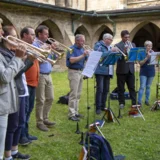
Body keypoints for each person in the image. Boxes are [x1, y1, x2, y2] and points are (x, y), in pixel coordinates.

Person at [0, 24, 29, 160]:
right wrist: (19, 58)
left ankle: (10, 153)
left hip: (11, 96)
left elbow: (15, 72)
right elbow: (6, 77)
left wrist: (25, 59)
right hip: (4, 100)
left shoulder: (8, 52)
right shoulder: (2, 53)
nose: (16, 40)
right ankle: (7, 155)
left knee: (14, 125)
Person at [33, 25, 55, 131]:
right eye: (46, 34)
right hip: (40, 74)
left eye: (48, 33)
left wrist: (53, 52)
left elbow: (50, 61)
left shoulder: (46, 44)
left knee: (50, 98)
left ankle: (45, 118)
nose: (48, 36)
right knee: (40, 100)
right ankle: (39, 122)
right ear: (39, 34)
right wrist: (43, 51)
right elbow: (37, 61)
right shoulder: (35, 44)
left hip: (48, 74)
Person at [19, 27, 38, 145]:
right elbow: (21, 65)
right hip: (26, 83)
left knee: (29, 110)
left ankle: (26, 133)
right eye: (32, 35)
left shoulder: (31, 47)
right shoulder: (20, 47)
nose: (34, 37)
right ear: (25, 35)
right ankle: (22, 137)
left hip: (33, 82)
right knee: (24, 111)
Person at [66, 34, 89, 121]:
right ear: (76, 41)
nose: (83, 43)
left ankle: (76, 112)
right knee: (73, 94)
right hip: (73, 71)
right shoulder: (71, 49)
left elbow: (86, 59)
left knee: (78, 94)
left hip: (80, 71)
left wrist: (89, 54)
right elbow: (72, 60)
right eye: (82, 41)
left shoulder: (83, 49)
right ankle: (71, 114)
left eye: (84, 41)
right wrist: (83, 55)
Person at [94, 33, 117, 114]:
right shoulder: (98, 45)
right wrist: (110, 51)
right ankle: (98, 107)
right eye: (110, 40)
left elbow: (111, 56)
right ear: (105, 39)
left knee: (106, 90)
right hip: (100, 70)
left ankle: (103, 106)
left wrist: (116, 54)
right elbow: (99, 55)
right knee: (100, 89)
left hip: (108, 70)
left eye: (111, 40)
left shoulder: (110, 47)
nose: (111, 41)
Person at [115, 30, 136, 109]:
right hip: (121, 70)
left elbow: (134, 55)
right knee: (121, 88)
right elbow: (117, 58)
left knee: (132, 87)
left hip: (130, 69)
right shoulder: (117, 45)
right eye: (125, 37)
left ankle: (134, 103)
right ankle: (121, 103)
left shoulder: (132, 44)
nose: (127, 39)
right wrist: (124, 50)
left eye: (128, 37)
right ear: (122, 37)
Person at [138, 40, 155, 106]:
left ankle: (147, 101)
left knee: (148, 87)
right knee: (142, 86)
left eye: (151, 46)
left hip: (151, 71)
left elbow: (156, 63)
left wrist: (155, 57)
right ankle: (139, 101)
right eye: (148, 46)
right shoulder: (141, 53)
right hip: (143, 71)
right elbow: (140, 64)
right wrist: (147, 57)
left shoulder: (153, 53)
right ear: (145, 47)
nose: (150, 48)